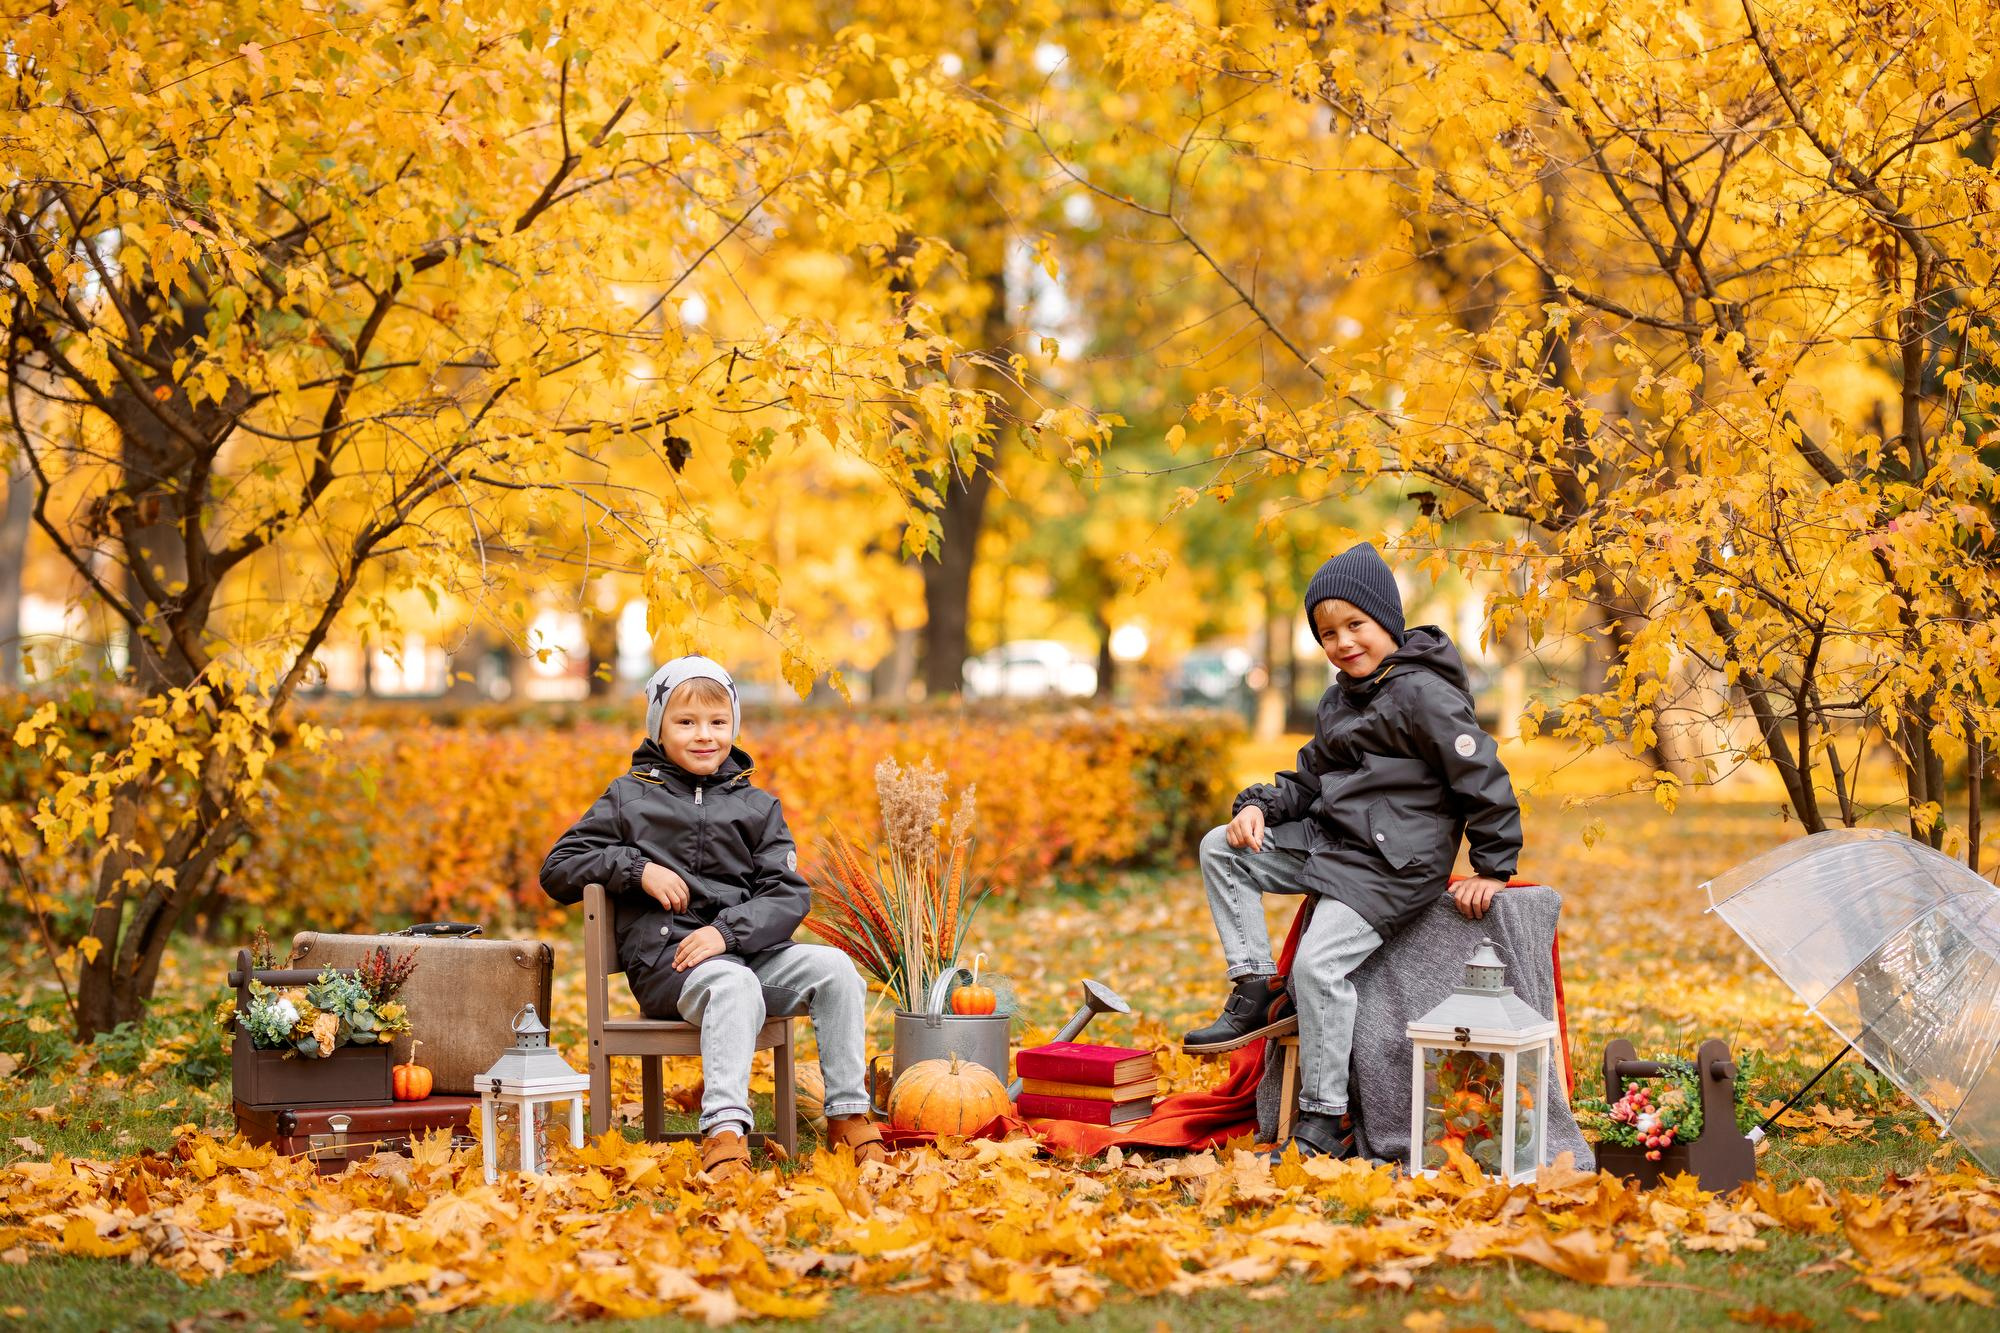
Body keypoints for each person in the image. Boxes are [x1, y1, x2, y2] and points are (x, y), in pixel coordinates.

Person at [1182, 543, 1523, 1159]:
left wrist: (1493, 868)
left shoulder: (1424, 695)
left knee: (1318, 966)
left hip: (1393, 866)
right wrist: (1260, 805)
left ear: (1387, 622)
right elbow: (1309, 776)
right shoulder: (1340, 699)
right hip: (1334, 844)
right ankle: (1256, 986)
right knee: (1221, 848)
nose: (1342, 643)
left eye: (1355, 626)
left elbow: (1483, 776)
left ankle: (1324, 1115)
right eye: (1327, 633)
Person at [540, 655, 886, 1180]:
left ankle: (848, 1116)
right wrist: (636, 869)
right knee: (731, 986)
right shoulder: (627, 797)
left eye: (718, 722)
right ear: (659, 726)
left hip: (745, 953)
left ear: (734, 726)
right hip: (670, 964)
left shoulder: (756, 806)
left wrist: (726, 932)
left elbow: (788, 895)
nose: (705, 735)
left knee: (835, 969)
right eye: (686, 722)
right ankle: (724, 1132)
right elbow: (558, 868)